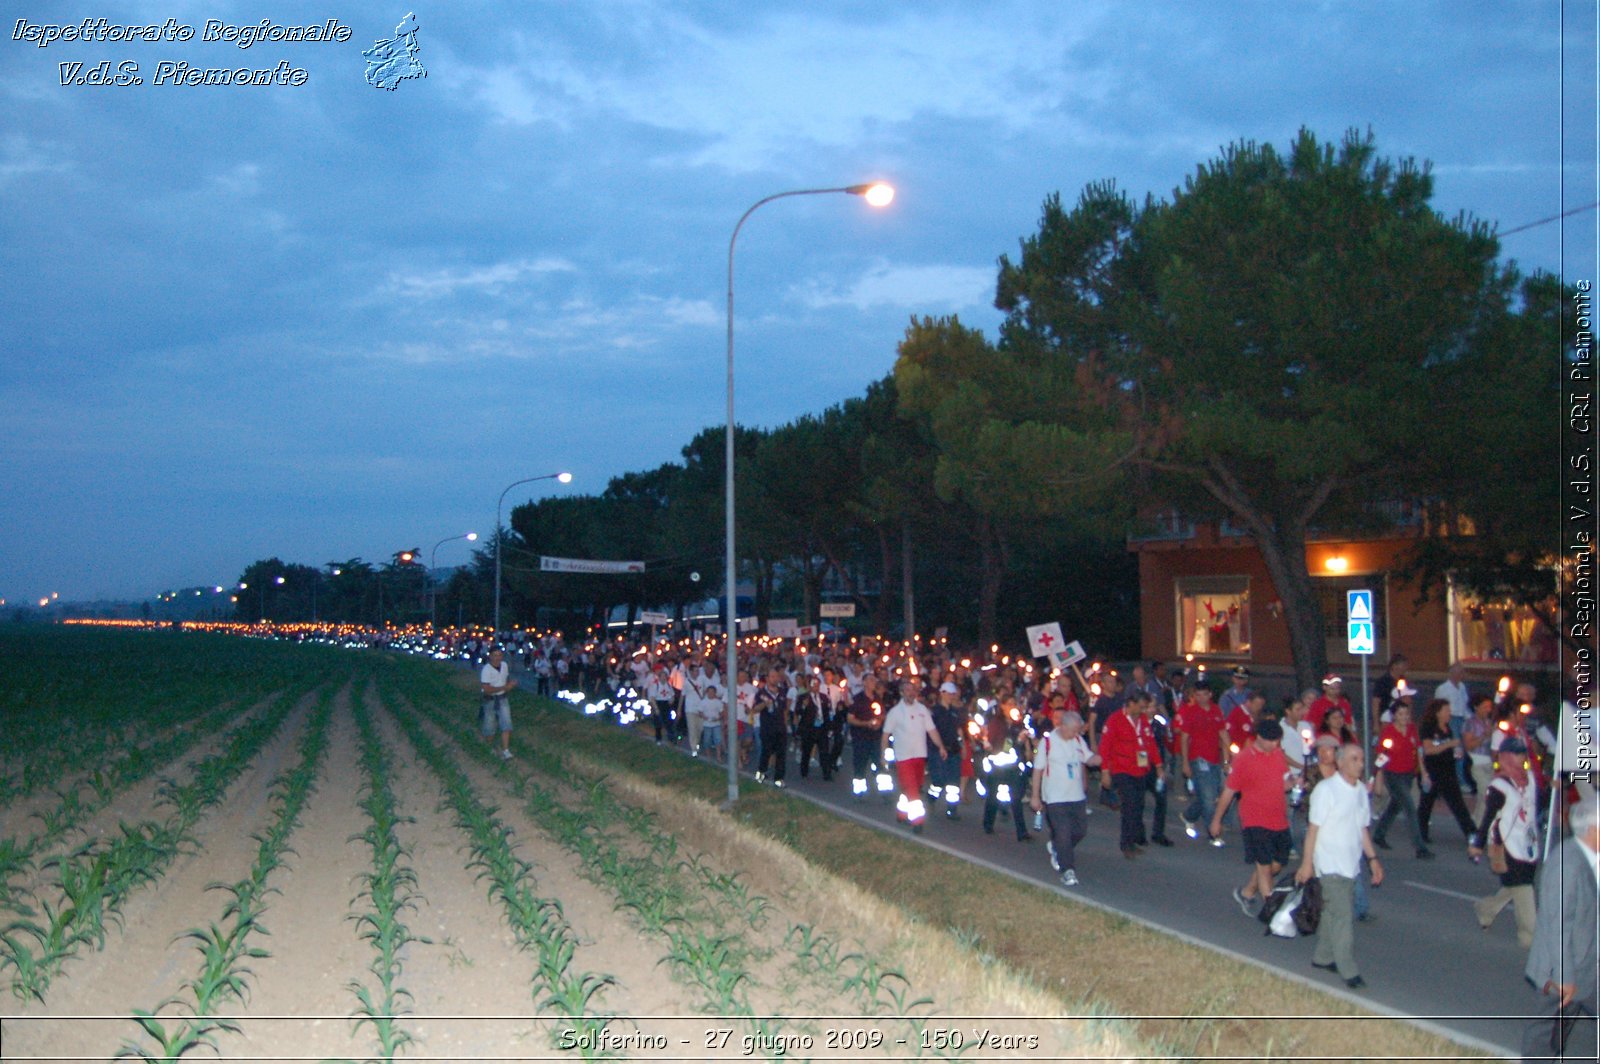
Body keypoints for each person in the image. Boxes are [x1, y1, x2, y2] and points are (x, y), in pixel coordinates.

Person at [1296, 742, 1384, 990]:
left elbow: (1361, 828)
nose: (1360, 764)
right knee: (1343, 916)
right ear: (1341, 762)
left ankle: (1322, 956)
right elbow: (1312, 830)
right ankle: (1349, 969)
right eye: (1354, 759)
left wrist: (1373, 860)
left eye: (1361, 759)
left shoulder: (1359, 793)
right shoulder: (1326, 790)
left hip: (1350, 864)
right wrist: (1307, 864)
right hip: (1329, 864)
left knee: (1331, 913)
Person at [1521, 796, 1598, 1062]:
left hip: (1588, 966)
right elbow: (1557, 923)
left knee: (1549, 1035)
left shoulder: (1591, 859)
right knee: (1544, 1037)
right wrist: (1564, 976)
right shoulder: (1567, 863)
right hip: (1563, 971)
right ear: (1593, 829)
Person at [1210, 718, 1292, 916]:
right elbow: (1229, 791)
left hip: (1278, 818)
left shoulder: (1278, 755)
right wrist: (1217, 819)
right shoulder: (1244, 759)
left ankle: (1247, 892)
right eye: (1271, 741)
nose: (1275, 745)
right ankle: (1272, 910)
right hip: (1254, 819)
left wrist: (1296, 784)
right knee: (1263, 865)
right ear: (1260, 738)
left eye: (1278, 742)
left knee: (1276, 864)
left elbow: (1284, 783)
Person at [1469, 753, 1541, 948]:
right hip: (1507, 844)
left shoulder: (1529, 779)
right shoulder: (1499, 787)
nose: (1521, 760)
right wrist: (1478, 842)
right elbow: (1488, 817)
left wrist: (1555, 786)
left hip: (1528, 843)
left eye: (1523, 755)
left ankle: (1486, 909)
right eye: (1516, 756)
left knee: (1517, 885)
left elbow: (1539, 801)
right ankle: (1529, 936)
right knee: (1523, 888)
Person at [1030, 710, 1100, 887]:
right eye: (1073, 730)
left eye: (1078, 730)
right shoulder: (1047, 743)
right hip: (1055, 798)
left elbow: (1087, 757)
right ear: (1062, 726)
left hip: (1076, 796)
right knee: (1063, 832)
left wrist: (1096, 760)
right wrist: (1035, 796)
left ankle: (1057, 848)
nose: (1076, 733)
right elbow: (1037, 771)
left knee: (1080, 830)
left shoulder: (1077, 740)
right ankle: (1067, 870)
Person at [1100, 688, 1160, 858]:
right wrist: (1105, 771)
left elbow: (1150, 743)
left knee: (1139, 805)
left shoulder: (1142, 720)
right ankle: (1126, 844)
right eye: (1141, 706)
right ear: (1131, 704)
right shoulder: (1115, 720)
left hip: (1140, 769)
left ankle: (1134, 838)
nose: (1143, 710)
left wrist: (1159, 765)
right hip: (1122, 769)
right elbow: (1105, 747)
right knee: (1130, 805)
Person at [881, 680, 947, 834]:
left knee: (913, 788)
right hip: (904, 757)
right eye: (908, 690)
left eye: (913, 690)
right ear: (902, 693)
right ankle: (917, 821)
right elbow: (885, 735)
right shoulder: (895, 712)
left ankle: (901, 813)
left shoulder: (922, 709)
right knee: (913, 792)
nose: (911, 693)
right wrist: (884, 755)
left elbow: (932, 730)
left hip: (919, 756)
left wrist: (941, 746)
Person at [1372, 695, 1434, 859]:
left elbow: (1418, 751)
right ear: (1394, 716)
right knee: (1409, 807)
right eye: (1400, 714)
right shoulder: (1389, 733)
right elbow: (1382, 756)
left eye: (1406, 714)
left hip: (1408, 773)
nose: (1404, 717)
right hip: (1393, 774)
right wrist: (1377, 776)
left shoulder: (1412, 729)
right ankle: (1420, 847)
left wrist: (1423, 772)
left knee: (1395, 806)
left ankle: (1379, 834)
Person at [1417, 697, 1478, 849]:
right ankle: (1420, 833)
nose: (1449, 713)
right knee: (1426, 803)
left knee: (1457, 803)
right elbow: (1428, 749)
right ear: (1438, 713)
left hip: (1448, 770)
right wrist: (1449, 744)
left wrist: (1455, 752)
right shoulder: (1429, 728)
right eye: (1446, 710)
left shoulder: (1448, 728)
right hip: (1433, 770)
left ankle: (1471, 832)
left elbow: (1448, 748)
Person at [1175, 681, 1228, 845]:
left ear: (1210, 694)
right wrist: (1185, 762)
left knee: (1211, 793)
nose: (1201, 698)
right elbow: (1184, 738)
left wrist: (1227, 758)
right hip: (1198, 758)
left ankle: (1189, 815)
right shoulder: (1191, 712)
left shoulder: (1216, 710)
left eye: (1204, 694)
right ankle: (1213, 833)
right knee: (1209, 796)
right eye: (1197, 695)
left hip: (1214, 759)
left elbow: (1223, 734)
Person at [1433, 662, 1474, 793]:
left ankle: (1462, 778)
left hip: (1463, 719)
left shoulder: (1462, 687)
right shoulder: (1443, 689)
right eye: (1461, 672)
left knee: (1464, 750)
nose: (1463, 675)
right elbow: (1437, 707)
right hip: (1451, 720)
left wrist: (1471, 719)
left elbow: (1465, 705)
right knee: (1457, 750)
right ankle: (1459, 781)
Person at [927, 681, 966, 819]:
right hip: (938, 750)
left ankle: (952, 810)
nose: (951, 696)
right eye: (949, 694)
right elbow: (931, 731)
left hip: (954, 750)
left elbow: (959, 731)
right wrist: (938, 747)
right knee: (939, 779)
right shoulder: (935, 712)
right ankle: (931, 797)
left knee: (954, 783)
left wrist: (963, 746)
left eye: (953, 694)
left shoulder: (954, 712)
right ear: (942, 693)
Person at [479, 647, 517, 760]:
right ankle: (490, 747)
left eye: (499, 655)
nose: (497, 658)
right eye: (495, 655)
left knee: (506, 724)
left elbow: (506, 677)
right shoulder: (486, 670)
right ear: (490, 656)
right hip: (490, 699)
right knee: (489, 726)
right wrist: (505, 687)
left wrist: (508, 685)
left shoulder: (504, 665)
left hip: (502, 698)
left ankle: (506, 750)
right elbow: (486, 688)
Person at [754, 670, 790, 786]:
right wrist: (765, 704)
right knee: (766, 752)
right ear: (768, 678)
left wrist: (785, 725)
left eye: (776, 676)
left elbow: (784, 710)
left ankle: (778, 778)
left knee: (781, 754)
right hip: (767, 728)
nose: (774, 679)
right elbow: (755, 709)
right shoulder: (761, 693)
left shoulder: (782, 693)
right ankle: (760, 773)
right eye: (772, 676)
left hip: (780, 728)